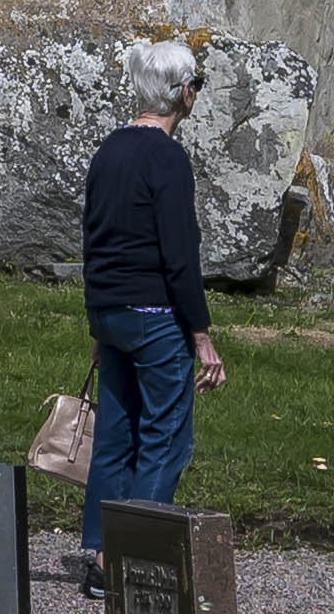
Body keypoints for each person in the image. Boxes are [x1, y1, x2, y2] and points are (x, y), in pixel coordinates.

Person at [74, 37, 229, 579]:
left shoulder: (109, 151)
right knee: (165, 435)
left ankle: (98, 551)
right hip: (154, 314)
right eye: (197, 85)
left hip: (110, 311)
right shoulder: (167, 158)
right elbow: (179, 255)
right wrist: (202, 335)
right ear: (182, 93)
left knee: (115, 434)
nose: (196, 94)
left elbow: (95, 238)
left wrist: (100, 321)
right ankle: (134, 557)